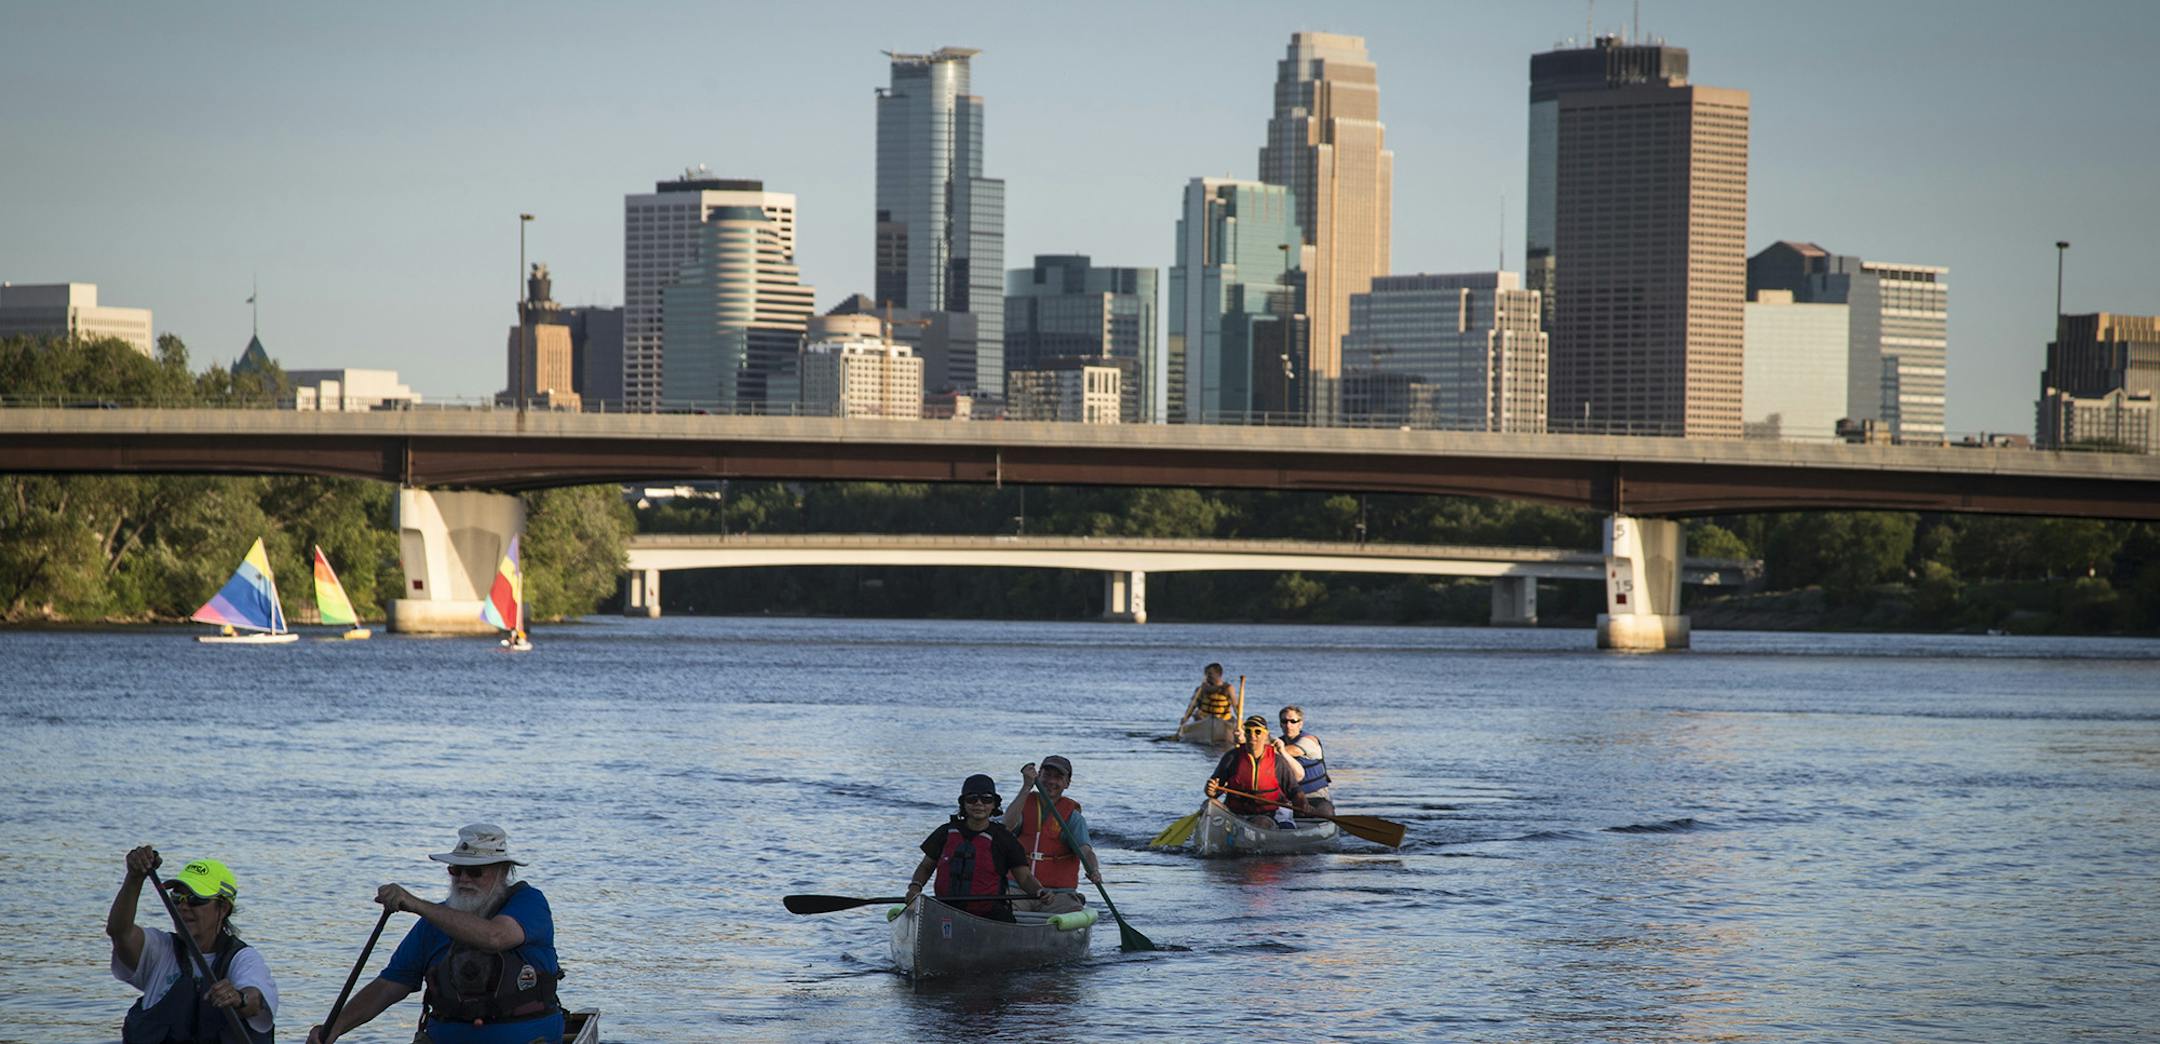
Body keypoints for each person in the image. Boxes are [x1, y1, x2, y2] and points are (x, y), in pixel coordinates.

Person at [307, 824, 562, 1044]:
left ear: (502, 872)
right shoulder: (433, 921)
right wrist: (336, 1026)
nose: (463, 878)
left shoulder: (530, 903)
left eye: (474, 872)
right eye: (456, 869)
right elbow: (390, 984)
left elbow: (495, 937)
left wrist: (415, 904)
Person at [108, 846, 277, 1044]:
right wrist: (135, 878)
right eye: (177, 899)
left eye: (195, 900)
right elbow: (120, 932)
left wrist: (239, 998)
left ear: (223, 908)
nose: (183, 907)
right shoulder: (159, 950)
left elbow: (254, 1000)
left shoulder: (244, 959)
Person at [906, 774, 1052, 922]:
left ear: (994, 804)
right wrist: (915, 887)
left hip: (990, 916)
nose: (979, 804)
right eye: (972, 799)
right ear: (963, 803)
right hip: (946, 911)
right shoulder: (944, 832)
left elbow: (1025, 877)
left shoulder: (1004, 839)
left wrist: (1039, 891)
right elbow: (925, 867)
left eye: (987, 799)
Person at [1001, 755, 1104, 914]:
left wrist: (1094, 870)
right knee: (1002, 910)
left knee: (1069, 912)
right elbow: (1006, 826)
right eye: (1047, 775)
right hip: (1018, 890)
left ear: (1067, 783)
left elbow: (1085, 850)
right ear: (1038, 775)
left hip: (1059, 895)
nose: (1051, 781)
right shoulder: (1022, 804)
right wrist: (1026, 787)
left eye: (1058, 777)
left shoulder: (1072, 817)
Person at [1206, 715, 1310, 829]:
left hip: (1265, 815)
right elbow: (1215, 791)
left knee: (1261, 823)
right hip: (1234, 813)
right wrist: (1211, 790)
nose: (1252, 735)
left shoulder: (1277, 761)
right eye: (1248, 731)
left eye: (1258, 732)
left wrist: (1302, 804)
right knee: (1209, 804)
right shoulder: (1231, 757)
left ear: (1265, 734)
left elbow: (1294, 791)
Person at [1276, 704, 1335, 816]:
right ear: (1280, 724)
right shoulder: (1277, 743)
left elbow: (1294, 751)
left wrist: (1262, 747)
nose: (1288, 725)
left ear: (1300, 724)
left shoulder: (1309, 741)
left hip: (1316, 798)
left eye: (1293, 721)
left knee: (1325, 812)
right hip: (1291, 798)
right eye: (1284, 721)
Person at [1178, 662, 1238, 729]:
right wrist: (1185, 718)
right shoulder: (1201, 689)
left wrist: (1240, 720)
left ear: (1218, 674)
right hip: (1204, 719)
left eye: (1209, 674)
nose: (1207, 677)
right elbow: (1192, 706)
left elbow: (1235, 707)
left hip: (1223, 720)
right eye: (1206, 674)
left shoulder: (1228, 689)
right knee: (1196, 714)